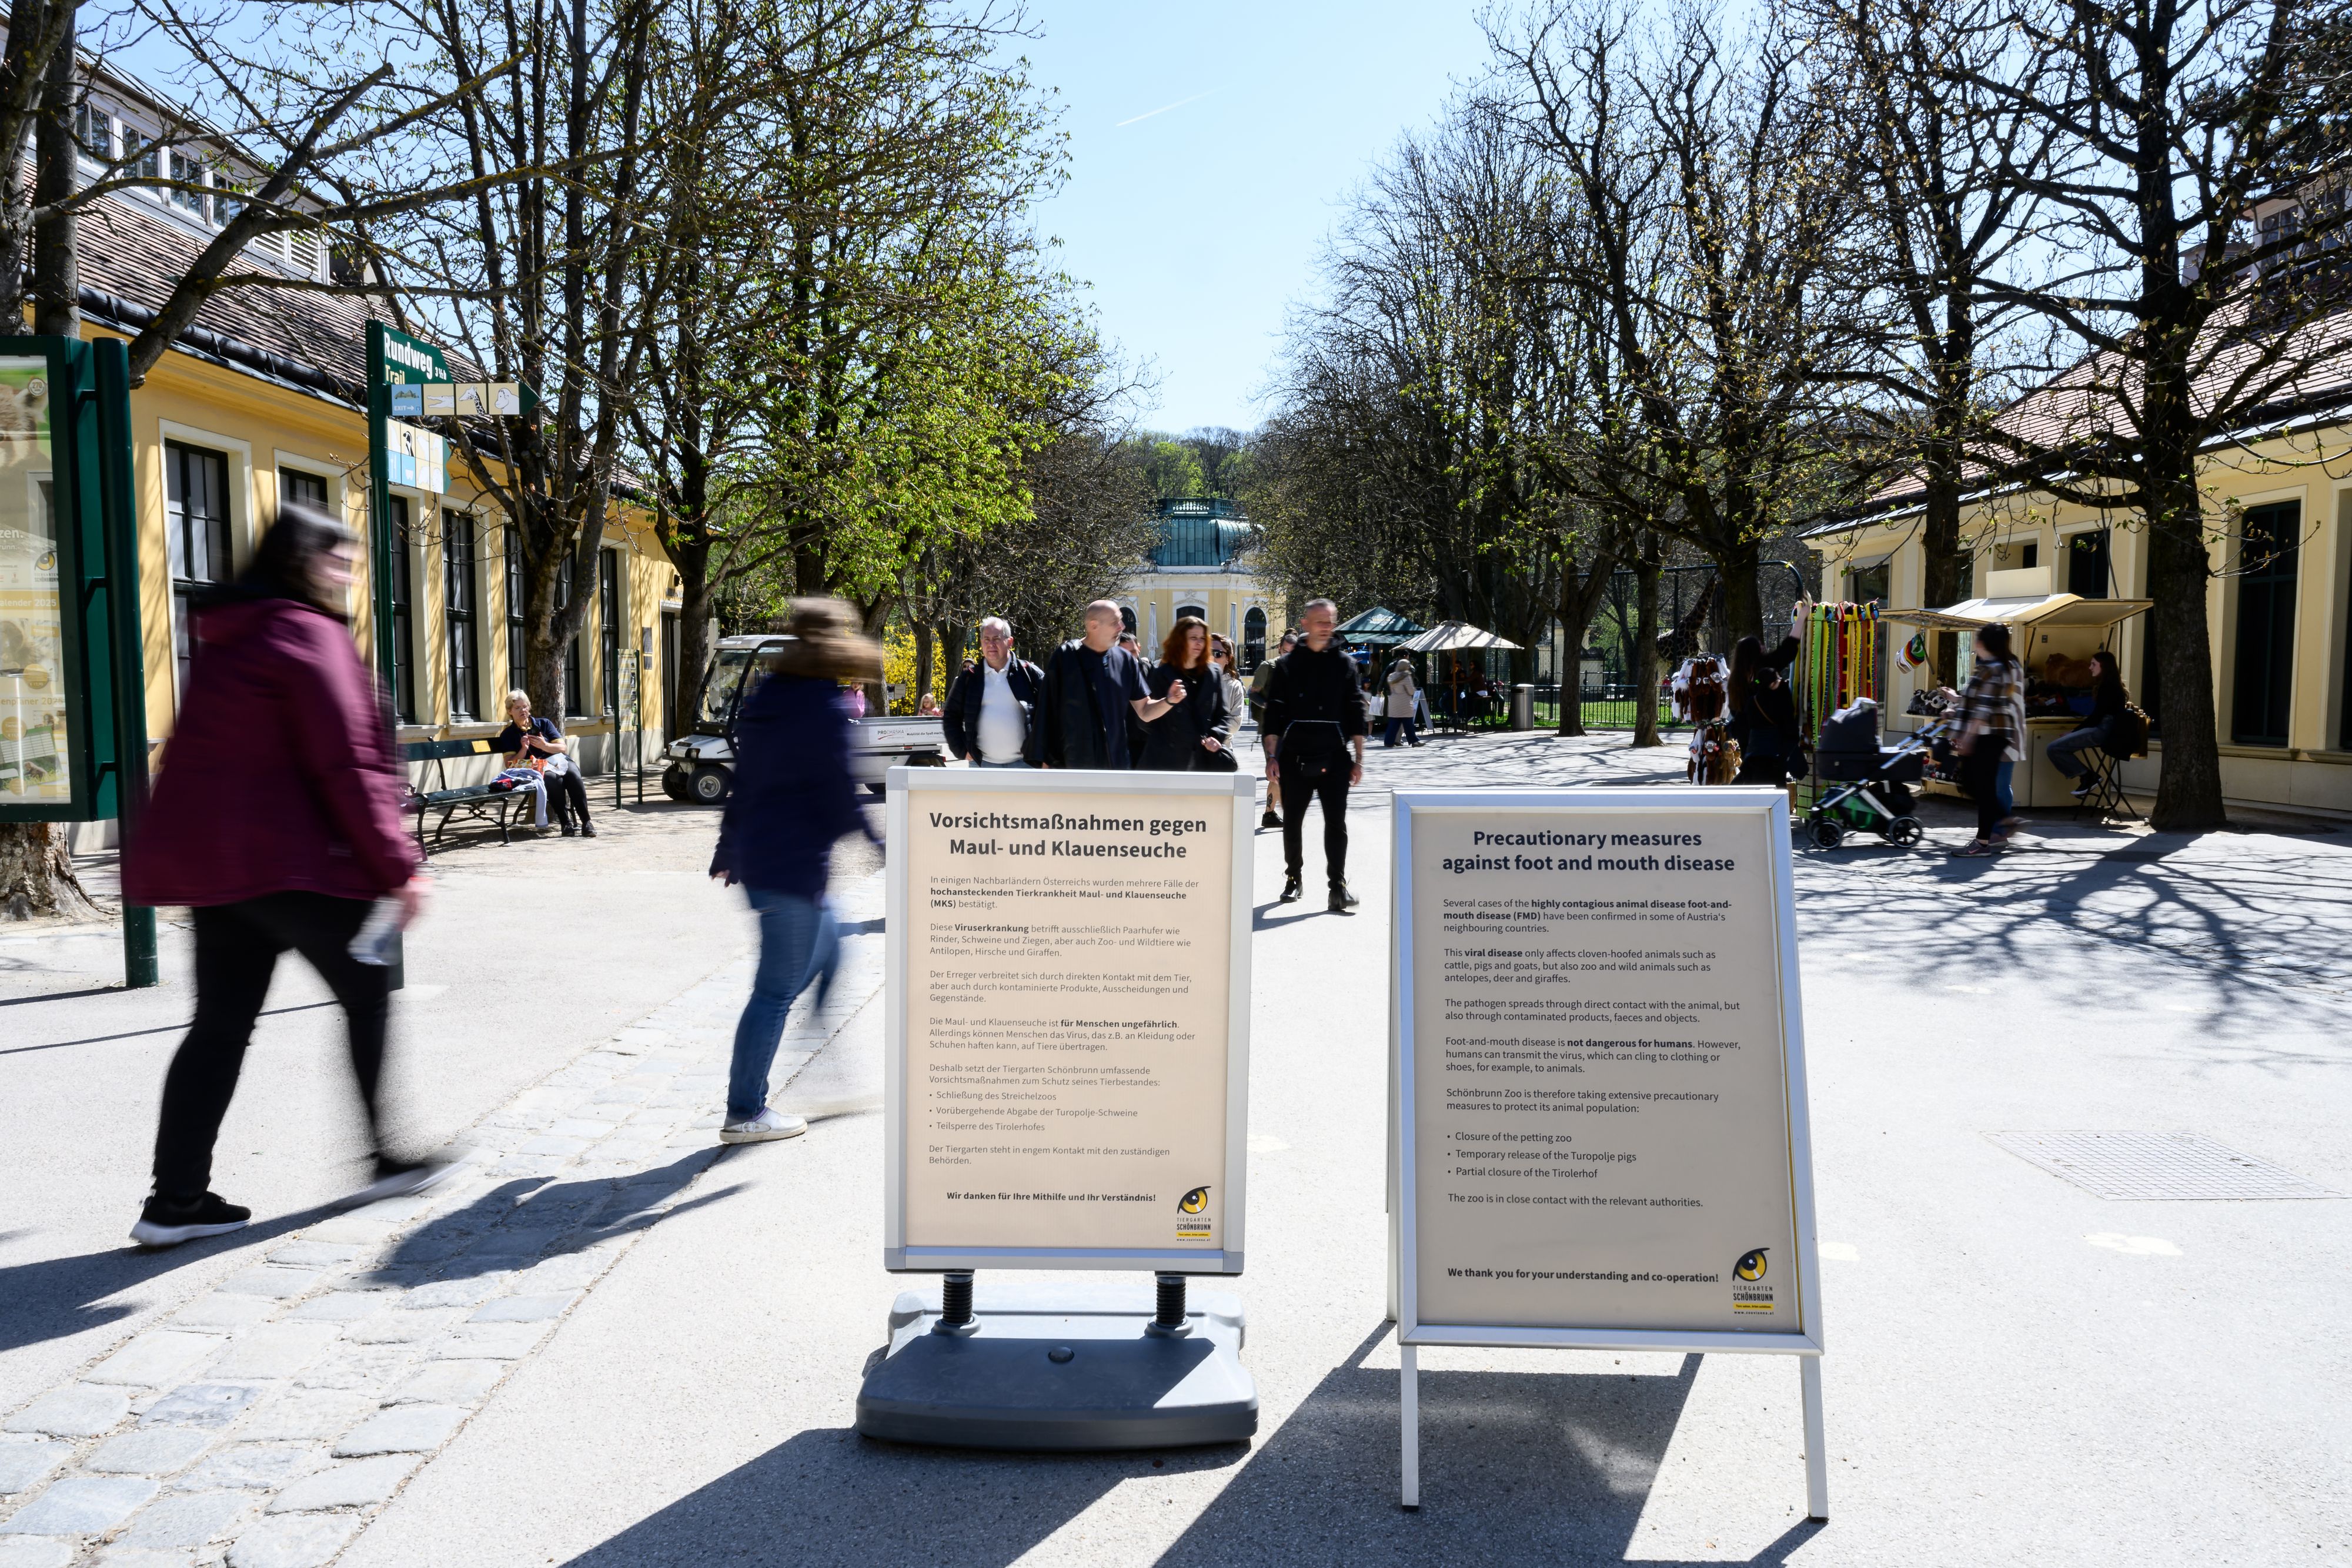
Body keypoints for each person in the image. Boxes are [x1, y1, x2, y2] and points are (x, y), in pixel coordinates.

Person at [121, 506, 445, 1246]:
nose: (346, 576)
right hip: (303, 869)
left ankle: (173, 1202)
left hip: (223, 876)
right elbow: (349, 761)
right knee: (369, 999)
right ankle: (388, 1160)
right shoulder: (311, 635)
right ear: (303, 561)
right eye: (337, 562)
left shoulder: (227, 638)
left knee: (219, 1028)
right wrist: (400, 867)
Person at [709, 600, 881, 1144]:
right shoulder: (823, 709)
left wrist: (728, 847)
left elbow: (746, 781)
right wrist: (885, 846)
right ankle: (746, 1109)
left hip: (765, 861)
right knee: (775, 990)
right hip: (791, 871)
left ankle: (820, 1067)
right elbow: (838, 798)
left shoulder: (770, 698)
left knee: (832, 946)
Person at [1262, 599, 1367, 912]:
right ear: (1305, 623)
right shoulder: (1286, 666)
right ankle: (1294, 877)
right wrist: (1271, 757)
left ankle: (1338, 887)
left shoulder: (1346, 665)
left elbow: (1355, 713)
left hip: (1335, 757)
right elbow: (1274, 717)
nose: (1326, 627)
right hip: (1294, 758)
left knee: (1337, 823)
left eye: (1330, 621)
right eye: (1319, 621)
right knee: (1292, 822)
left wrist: (1359, 759)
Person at [1040, 600, 1184, 768]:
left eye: (1121, 620)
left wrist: (1169, 700)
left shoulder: (1125, 660)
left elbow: (1145, 711)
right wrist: (1045, 764)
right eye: (1115, 622)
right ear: (1094, 626)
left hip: (1116, 764)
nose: (1122, 627)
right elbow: (1047, 712)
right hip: (1072, 764)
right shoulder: (1065, 657)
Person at [1950, 624, 2024, 855]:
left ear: (1984, 644)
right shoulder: (1990, 667)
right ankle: (2004, 821)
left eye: (1977, 641)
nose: (1975, 645)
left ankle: (1983, 841)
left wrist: (1968, 736)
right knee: (1974, 784)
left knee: (1982, 787)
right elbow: (1974, 703)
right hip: (1988, 734)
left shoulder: (1994, 669)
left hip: (1990, 735)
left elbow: (1983, 709)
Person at [941, 616, 1044, 768]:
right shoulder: (969, 678)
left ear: (1010, 642)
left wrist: (1046, 755)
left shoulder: (1029, 674)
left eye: (996, 639)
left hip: (1026, 764)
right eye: (986, 639)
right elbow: (951, 715)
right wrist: (961, 750)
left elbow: (1052, 714)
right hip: (983, 765)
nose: (991, 644)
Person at [496, 689, 593, 836]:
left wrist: (544, 746)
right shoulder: (508, 735)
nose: (523, 710)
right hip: (534, 767)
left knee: (573, 774)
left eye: (525, 707)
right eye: (517, 708)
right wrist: (524, 749)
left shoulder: (544, 724)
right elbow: (509, 764)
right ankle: (565, 823)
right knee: (550, 779)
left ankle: (587, 822)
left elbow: (563, 748)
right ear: (510, 711)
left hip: (558, 761)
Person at [1141, 616, 1232, 770]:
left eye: (1203, 638)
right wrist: (1168, 702)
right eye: (1193, 638)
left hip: (1202, 760)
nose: (1199, 643)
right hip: (1166, 762)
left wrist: (1215, 736)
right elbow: (1145, 720)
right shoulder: (1163, 673)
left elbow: (1223, 715)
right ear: (1180, 641)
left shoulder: (1213, 673)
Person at [2046, 649, 2129, 798]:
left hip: (2102, 729)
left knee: (2054, 748)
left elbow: (2097, 717)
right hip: (2105, 728)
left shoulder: (2108, 687)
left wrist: (2074, 732)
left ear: (2103, 666)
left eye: (2093, 664)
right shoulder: (2112, 685)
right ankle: (2087, 776)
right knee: (2056, 747)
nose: (2090, 667)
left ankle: (2087, 776)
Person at [1725, 634, 1803, 786]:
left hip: (1746, 738)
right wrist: (1802, 618)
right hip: (1766, 741)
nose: (1763, 647)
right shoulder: (1763, 672)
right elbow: (1786, 652)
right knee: (1770, 777)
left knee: (1751, 773)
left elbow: (1734, 710)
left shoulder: (1735, 681)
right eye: (1759, 645)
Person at [1248, 631, 1297, 828]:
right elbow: (1252, 694)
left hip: (1292, 729)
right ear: (1279, 649)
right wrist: (1270, 706)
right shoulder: (1268, 667)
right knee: (1278, 772)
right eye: (1285, 652)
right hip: (1272, 730)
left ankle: (1270, 814)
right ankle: (1273, 814)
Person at [1382, 657, 1422, 748]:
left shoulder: (1391, 676)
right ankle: (1414, 741)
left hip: (1394, 704)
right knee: (1408, 724)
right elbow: (1411, 691)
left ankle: (1388, 742)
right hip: (1404, 703)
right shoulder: (1406, 677)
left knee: (1393, 724)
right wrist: (1413, 689)